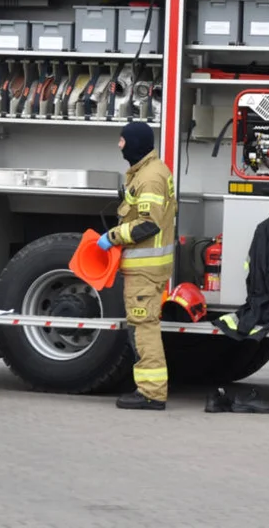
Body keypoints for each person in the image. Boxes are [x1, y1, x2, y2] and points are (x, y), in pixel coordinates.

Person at [97, 121, 177, 410]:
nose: (119, 146)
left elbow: (148, 225)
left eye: (122, 141)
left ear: (134, 143)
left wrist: (113, 236)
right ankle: (149, 389)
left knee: (144, 328)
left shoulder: (150, 178)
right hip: (146, 268)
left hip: (146, 270)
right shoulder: (145, 172)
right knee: (141, 326)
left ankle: (152, 394)